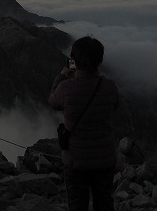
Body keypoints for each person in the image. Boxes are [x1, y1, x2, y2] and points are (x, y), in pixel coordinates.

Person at [48, 36, 120, 211]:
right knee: (104, 203)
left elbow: (53, 102)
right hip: (104, 158)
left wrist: (62, 76)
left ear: (75, 61)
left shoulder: (65, 88)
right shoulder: (110, 87)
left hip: (76, 160)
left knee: (77, 204)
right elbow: (115, 105)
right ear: (99, 60)